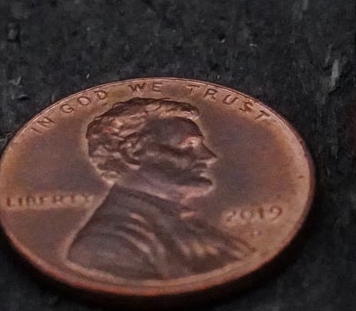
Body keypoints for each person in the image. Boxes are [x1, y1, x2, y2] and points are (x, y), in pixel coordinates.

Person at [65, 98, 254, 282]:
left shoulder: (187, 223)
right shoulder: (106, 243)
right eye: (188, 145)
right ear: (132, 152)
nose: (209, 157)